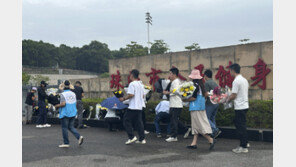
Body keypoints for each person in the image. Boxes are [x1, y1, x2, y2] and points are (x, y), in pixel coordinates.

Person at [184, 69, 216, 150]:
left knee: (198, 126)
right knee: (195, 126)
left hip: (195, 107)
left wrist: (185, 100)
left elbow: (193, 98)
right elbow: (205, 95)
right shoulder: (201, 85)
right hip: (201, 107)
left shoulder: (194, 86)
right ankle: (194, 143)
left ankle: (210, 139)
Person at [227, 63, 250, 154]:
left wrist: (226, 100)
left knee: (240, 127)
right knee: (242, 126)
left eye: (230, 71)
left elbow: (234, 95)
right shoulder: (244, 80)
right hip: (245, 106)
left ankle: (243, 146)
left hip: (240, 107)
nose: (230, 73)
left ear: (233, 70)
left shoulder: (236, 81)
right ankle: (246, 142)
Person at [119, 69, 146, 145]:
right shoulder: (141, 84)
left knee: (126, 120)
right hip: (139, 106)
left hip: (133, 106)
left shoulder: (132, 84)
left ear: (132, 75)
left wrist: (123, 99)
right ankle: (142, 139)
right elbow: (143, 95)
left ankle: (131, 137)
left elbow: (131, 95)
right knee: (139, 123)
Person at [55, 80, 84, 148]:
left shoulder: (63, 94)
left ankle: (66, 142)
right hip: (73, 112)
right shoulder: (73, 93)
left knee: (64, 128)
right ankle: (79, 137)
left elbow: (63, 104)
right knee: (71, 127)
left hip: (65, 113)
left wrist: (56, 106)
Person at [163, 67, 183, 142]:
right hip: (174, 104)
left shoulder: (176, 82)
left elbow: (176, 92)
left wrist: (167, 93)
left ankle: (174, 136)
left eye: (170, 74)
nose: (169, 75)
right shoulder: (175, 81)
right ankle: (175, 135)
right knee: (173, 120)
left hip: (176, 104)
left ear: (174, 74)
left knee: (174, 120)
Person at [204, 69, 222, 138]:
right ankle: (214, 134)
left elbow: (206, 94)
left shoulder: (207, 83)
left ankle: (215, 130)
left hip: (210, 103)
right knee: (212, 118)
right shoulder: (214, 83)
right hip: (216, 103)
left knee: (206, 118)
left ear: (205, 76)